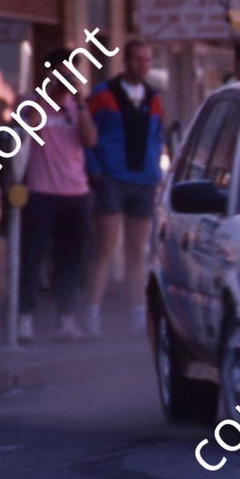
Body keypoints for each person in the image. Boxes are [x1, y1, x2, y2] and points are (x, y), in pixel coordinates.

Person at [85, 38, 164, 336]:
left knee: (137, 250)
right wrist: (94, 169)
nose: (142, 66)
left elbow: (157, 136)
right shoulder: (103, 94)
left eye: (147, 60)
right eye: (137, 60)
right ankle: (92, 313)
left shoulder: (154, 97)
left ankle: (137, 313)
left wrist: (154, 166)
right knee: (104, 248)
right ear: (125, 61)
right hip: (112, 177)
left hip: (143, 180)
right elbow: (87, 133)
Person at [18, 49, 98, 343]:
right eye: (62, 71)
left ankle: (66, 317)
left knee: (71, 258)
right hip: (41, 192)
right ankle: (24, 317)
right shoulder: (33, 103)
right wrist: (48, 91)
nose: (67, 77)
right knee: (32, 255)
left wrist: (80, 102)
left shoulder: (79, 107)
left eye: (71, 71)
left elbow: (90, 140)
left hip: (75, 193)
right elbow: (29, 125)